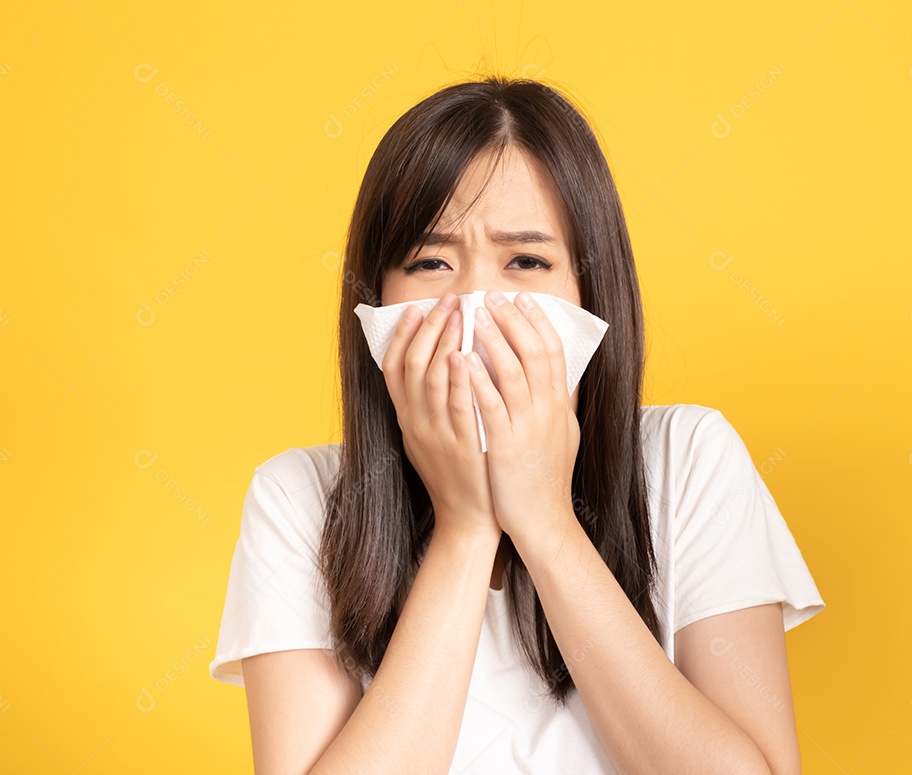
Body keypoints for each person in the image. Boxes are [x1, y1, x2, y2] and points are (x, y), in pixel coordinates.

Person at [209, 74, 825, 774]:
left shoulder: (691, 460)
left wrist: (547, 522)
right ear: (375, 296)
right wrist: (466, 527)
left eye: (526, 260)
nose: (475, 300)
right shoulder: (297, 498)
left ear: (590, 289)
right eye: (430, 262)